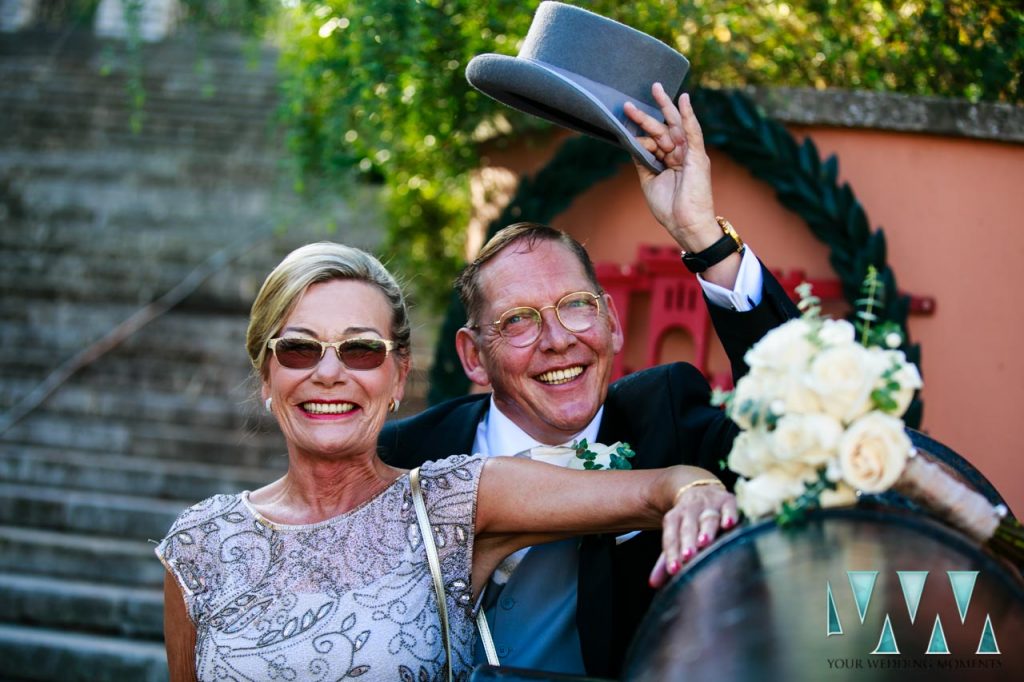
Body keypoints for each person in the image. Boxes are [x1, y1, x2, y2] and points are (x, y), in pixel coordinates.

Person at [157, 241, 739, 681]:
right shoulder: (199, 543)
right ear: (267, 373)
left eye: (361, 349)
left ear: (397, 374)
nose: (328, 372)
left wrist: (694, 491)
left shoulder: (451, 497)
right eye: (300, 348)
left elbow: (660, 486)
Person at [377, 86, 800, 675]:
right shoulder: (405, 456)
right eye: (519, 319)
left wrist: (701, 232)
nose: (558, 339)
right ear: (473, 358)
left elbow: (798, 421)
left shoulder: (669, 415)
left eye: (576, 306)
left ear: (612, 323)